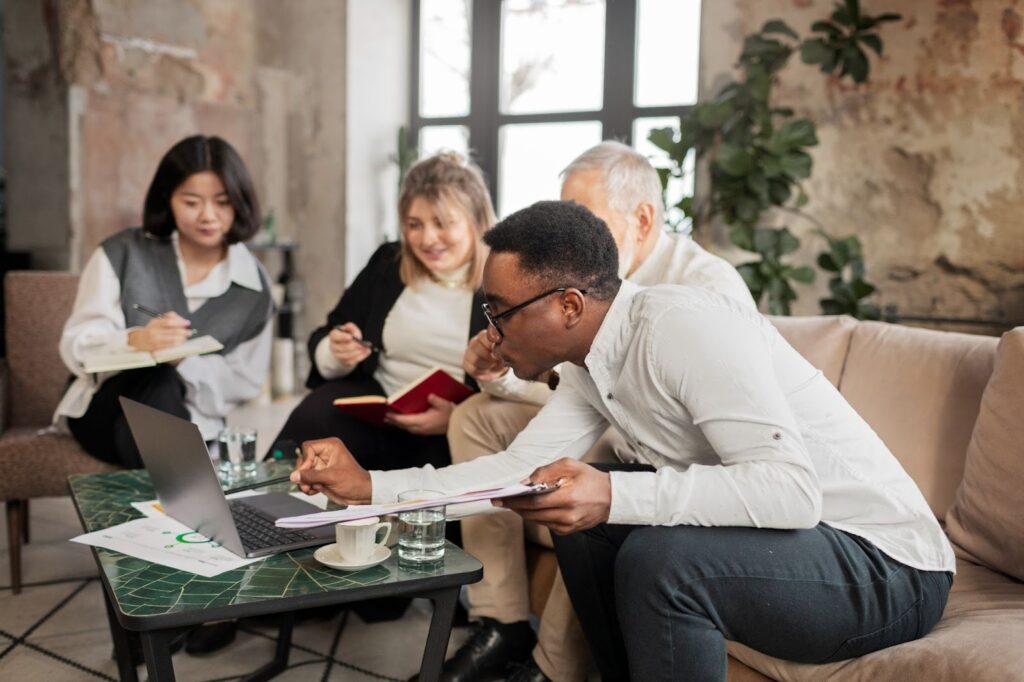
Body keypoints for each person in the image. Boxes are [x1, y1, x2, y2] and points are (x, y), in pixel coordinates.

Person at [290, 200, 954, 682]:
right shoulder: (592, 362)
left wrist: (611, 492)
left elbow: (791, 491)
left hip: (887, 566)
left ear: (568, 306)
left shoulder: (681, 328)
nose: (488, 332)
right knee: (569, 508)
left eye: (499, 310)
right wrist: (370, 487)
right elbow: (517, 469)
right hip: (803, 548)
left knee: (661, 558)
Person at [443, 141, 755, 682]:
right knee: (474, 416)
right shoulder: (579, 278)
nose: (570, 236)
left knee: (579, 472)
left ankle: (553, 668)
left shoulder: (708, 289)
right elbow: (577, 389)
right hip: (600, 422)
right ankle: (501, 619)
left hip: (664, 453)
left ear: (642, 219)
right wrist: (503, 370)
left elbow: (688, 429)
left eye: (587, 219)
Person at [271, 151, 495, 478]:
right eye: (414, 225)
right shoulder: (389, 263)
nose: (427, 239)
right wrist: (337, 352)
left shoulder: (503, 280)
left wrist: (458, 418)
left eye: (442, 223)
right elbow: (329, 332)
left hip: (451, 430)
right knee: (316, 413)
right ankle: (260, 496)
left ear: (476, 222)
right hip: (380, 412)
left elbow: (522, 384)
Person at [55, 135, 273, 470]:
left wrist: (182, 361)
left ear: (240, 202)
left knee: (164, 387)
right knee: (157, 381)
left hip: (194, 419)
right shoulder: (122, 253)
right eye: (191, 202)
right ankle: (188, 489)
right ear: (167, 199)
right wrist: (135, 341)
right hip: (104, 411)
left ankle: (167, 490)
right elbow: (76, 345)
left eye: (223, 202)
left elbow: (243, 383)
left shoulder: (254, 287)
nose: (208, 216)